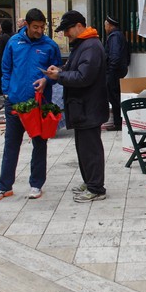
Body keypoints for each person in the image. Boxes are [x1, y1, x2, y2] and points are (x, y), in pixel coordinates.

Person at [0, 8, 62, 201]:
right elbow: (6, 68)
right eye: (36, 27)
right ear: (27, 25)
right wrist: (7, 91)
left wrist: (48, 81)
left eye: (42, 27)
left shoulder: (50, 45)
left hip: (38, 105)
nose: (39, 30)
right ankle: (4, 186)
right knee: (11, 144)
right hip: (14, 103)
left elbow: (56, 72)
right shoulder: (14, 42)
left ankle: (36, 184)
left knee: (39, 144)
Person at [46, 11, 108, 202]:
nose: (66, 34)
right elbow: (76, 69)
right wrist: (61, 70)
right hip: (82, 108)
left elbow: (84, 77)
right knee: (83, 148)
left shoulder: (91, 46)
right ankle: (89, 181)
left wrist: (60, 76)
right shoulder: (83, 44)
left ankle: (96, 188)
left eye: (67, 29)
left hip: (88, 107)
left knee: (91, 149)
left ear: (79, 26)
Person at [103, 15, 129, 131]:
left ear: (109, 25)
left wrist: (110, 71)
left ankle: (118, 124)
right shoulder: (119, 35)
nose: (105, 28)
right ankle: (118, 122)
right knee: (116, 97)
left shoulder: (114, 37)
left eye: (105, 25)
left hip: (114, 72)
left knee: (114, 97)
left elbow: (114, 55)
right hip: (119, 70)